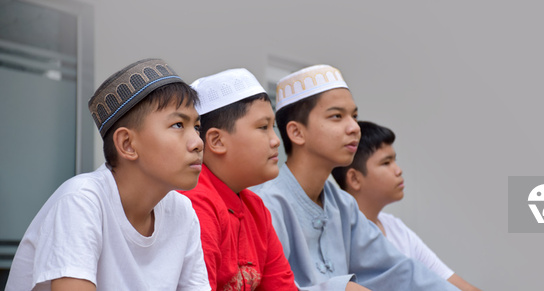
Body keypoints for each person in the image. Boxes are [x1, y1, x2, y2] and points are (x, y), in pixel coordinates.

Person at [250, 64, 459, 291]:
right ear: (296, 132)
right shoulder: (265, 204)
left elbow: (397, 271)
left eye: (355, 116)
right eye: (337, 116)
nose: (354, 128)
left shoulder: (343, 206)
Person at [5, 58, 209, 290]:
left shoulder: (182, 212)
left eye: (197, 127)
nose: (198, 143)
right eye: (178, 125)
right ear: (127, 144)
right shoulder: (81, 202)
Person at [180, 68, 296, 290]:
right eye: (263, 128)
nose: (275, 141)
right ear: (217, 141)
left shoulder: (256, 207)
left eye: (272, 128)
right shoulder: (195, 202)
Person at [331, 121, 481, 291]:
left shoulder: (396, 228)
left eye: (395, 160)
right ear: (354, 179)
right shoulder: (336, 237)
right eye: (386, 163)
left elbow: (458, 285)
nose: (398, 170)